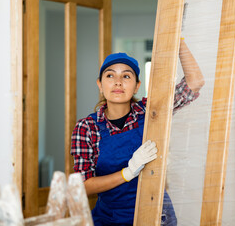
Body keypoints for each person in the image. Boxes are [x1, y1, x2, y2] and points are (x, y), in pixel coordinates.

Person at [71, 38, 204, 226]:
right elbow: (83, 186)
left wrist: (177, 38)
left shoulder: (151, 111)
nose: (118, 82)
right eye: (110, 76)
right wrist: (127, 172)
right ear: (100, 84)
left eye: (126, 76)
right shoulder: (86, 128)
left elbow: (195, 81)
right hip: (110, 218)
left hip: (157, 216)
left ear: (136, 86)